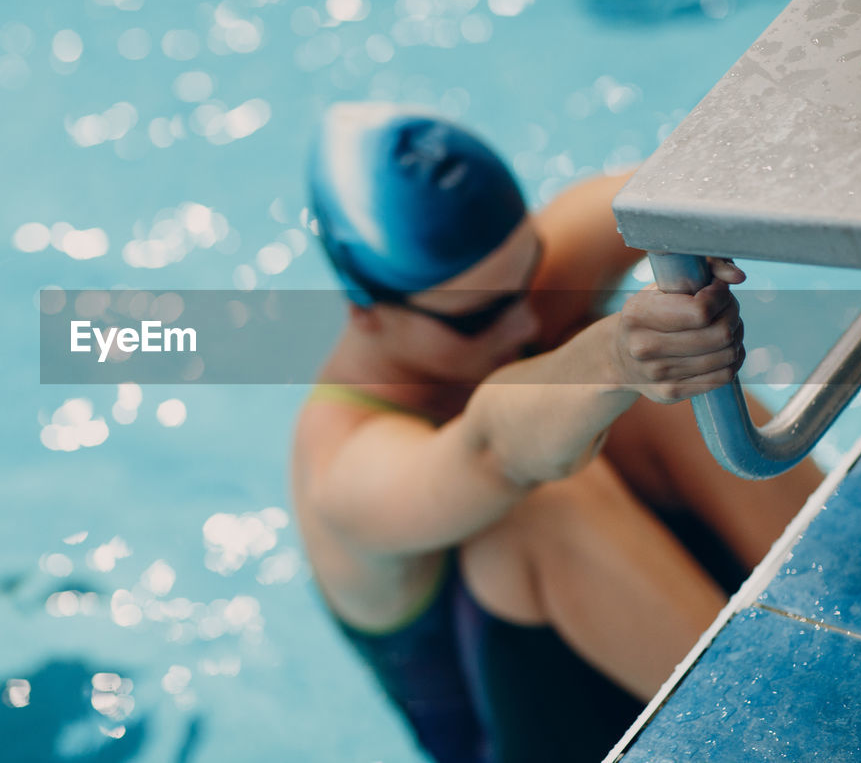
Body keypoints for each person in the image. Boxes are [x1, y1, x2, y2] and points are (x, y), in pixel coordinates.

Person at [290, 102, 823, 762]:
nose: (521, 322)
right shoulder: (345, 460)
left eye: (530, 271)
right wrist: (616, 357)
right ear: (364, 310)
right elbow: (490, 449)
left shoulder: (510, 291)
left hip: (676, 632)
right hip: (561, 738)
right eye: (480, 315)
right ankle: (803, 739)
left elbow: (692, 182)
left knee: (648, 396)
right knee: (540, 493)